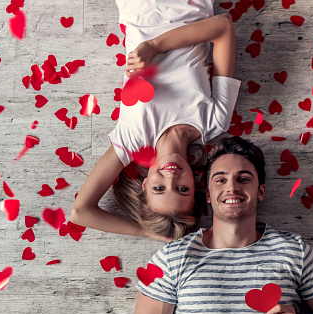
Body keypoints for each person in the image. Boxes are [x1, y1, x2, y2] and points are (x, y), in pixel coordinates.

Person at [131, 137, 313, 314]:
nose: (232, 187)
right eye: (220, 179)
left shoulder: (294, 252)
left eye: (243, 179)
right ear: (208, 194)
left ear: (260, 192)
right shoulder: (173, 258)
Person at [70, 0, 241, 241]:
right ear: (195, 186)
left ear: (145, 184)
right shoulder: (215, 121)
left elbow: (80, 212)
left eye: (159, 188)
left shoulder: (131, 140)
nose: (171, 177)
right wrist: (154, 46)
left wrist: (146, 232)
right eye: (182, 189)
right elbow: (223, 27)